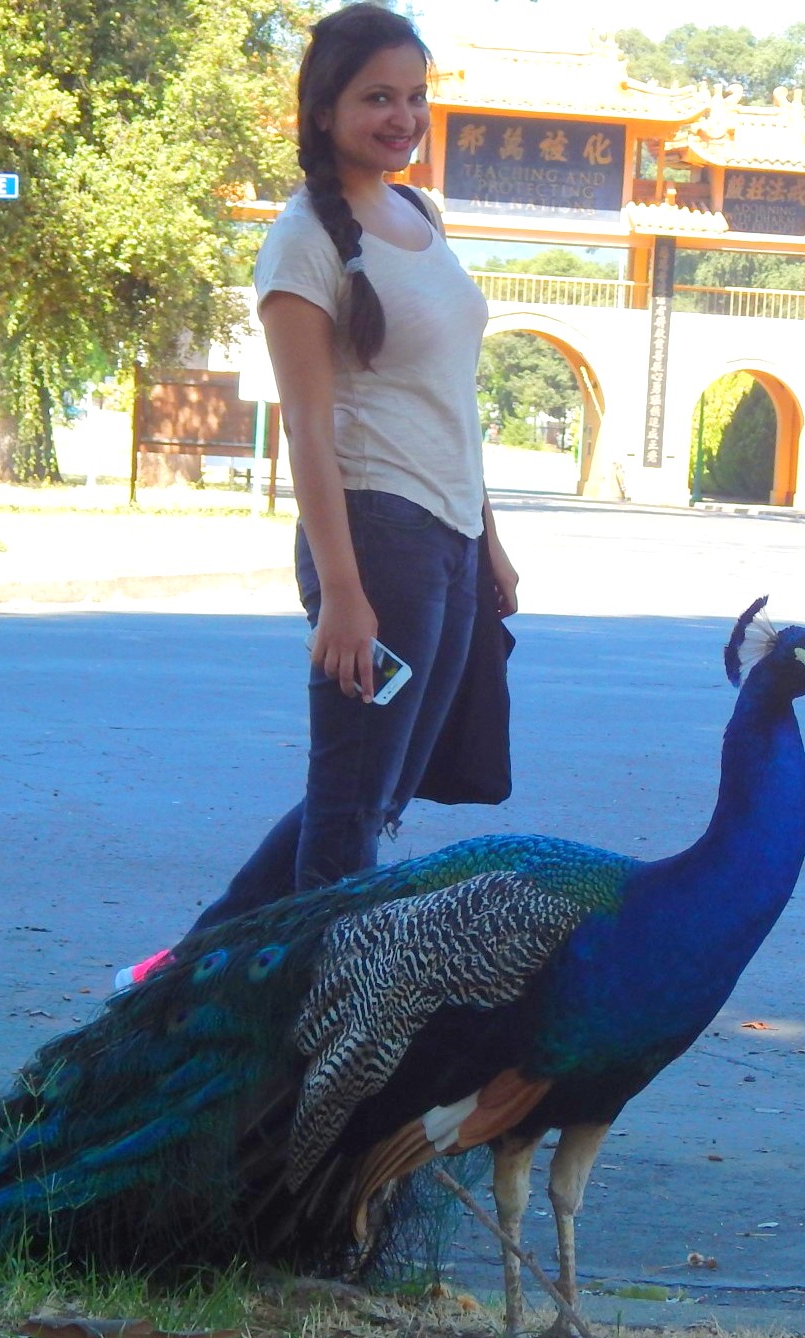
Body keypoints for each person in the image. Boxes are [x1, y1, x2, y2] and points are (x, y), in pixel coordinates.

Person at [189, 3, 518, 932]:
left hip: (447, 544)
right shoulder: (302, 240)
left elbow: (453, 396)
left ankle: (187, 975)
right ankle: (294, 1034)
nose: (403, 117)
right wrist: (341, 592)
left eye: (415, 96)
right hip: (376, 542)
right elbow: (307, 427)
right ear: (323, 108)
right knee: (352, 809)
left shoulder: (419, 213)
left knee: (377, 789)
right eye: (378, 96)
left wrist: (489, 542)